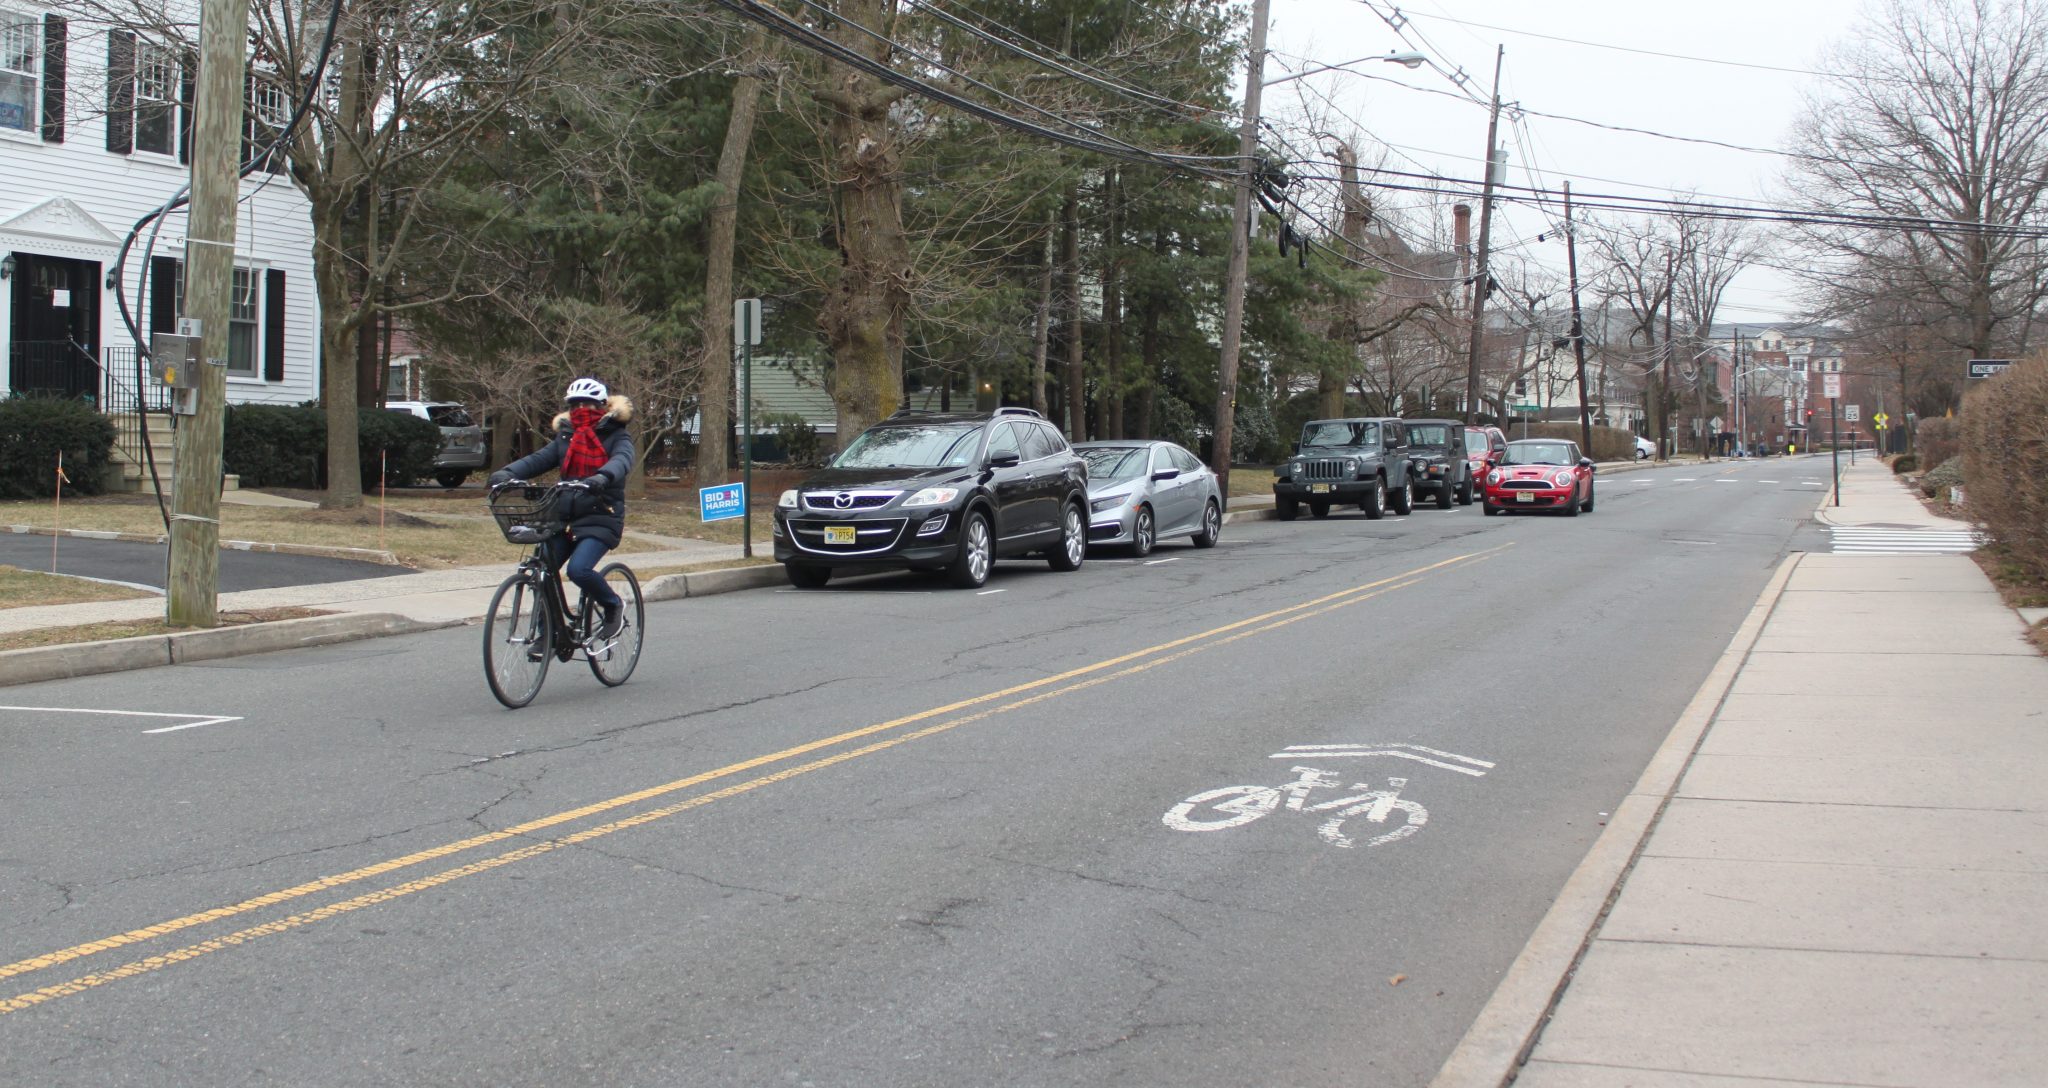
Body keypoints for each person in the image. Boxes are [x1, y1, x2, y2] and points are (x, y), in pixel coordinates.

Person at [490, 378, 635, 639]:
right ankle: (548, 635)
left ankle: (613, 605)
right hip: (563, 517)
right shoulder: (565, 437)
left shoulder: (617, 435)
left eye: (587, 404)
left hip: (601, 517)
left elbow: (622, 461)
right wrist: (506, 473)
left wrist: (602, 477)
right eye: (575, 404)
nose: (581, 409)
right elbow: (537, 460)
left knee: (578, 570)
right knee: (542, 570)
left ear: (602, 406)